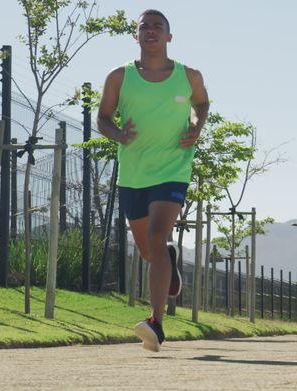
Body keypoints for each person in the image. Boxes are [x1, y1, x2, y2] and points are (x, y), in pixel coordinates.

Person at [97, 9, 209, 352]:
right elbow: (102, 118)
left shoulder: (188, 76)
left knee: (158, 236)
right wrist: (117, 133)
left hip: (173, 168)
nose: (150, 31)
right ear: (136, 36)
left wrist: (196, 124)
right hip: (133, 174)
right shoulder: (120, 77)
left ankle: (156, 323)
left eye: (157, 26)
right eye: (144, 26)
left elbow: (202, 104)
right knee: (149, 250)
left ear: (169, 37)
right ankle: (170, 260)